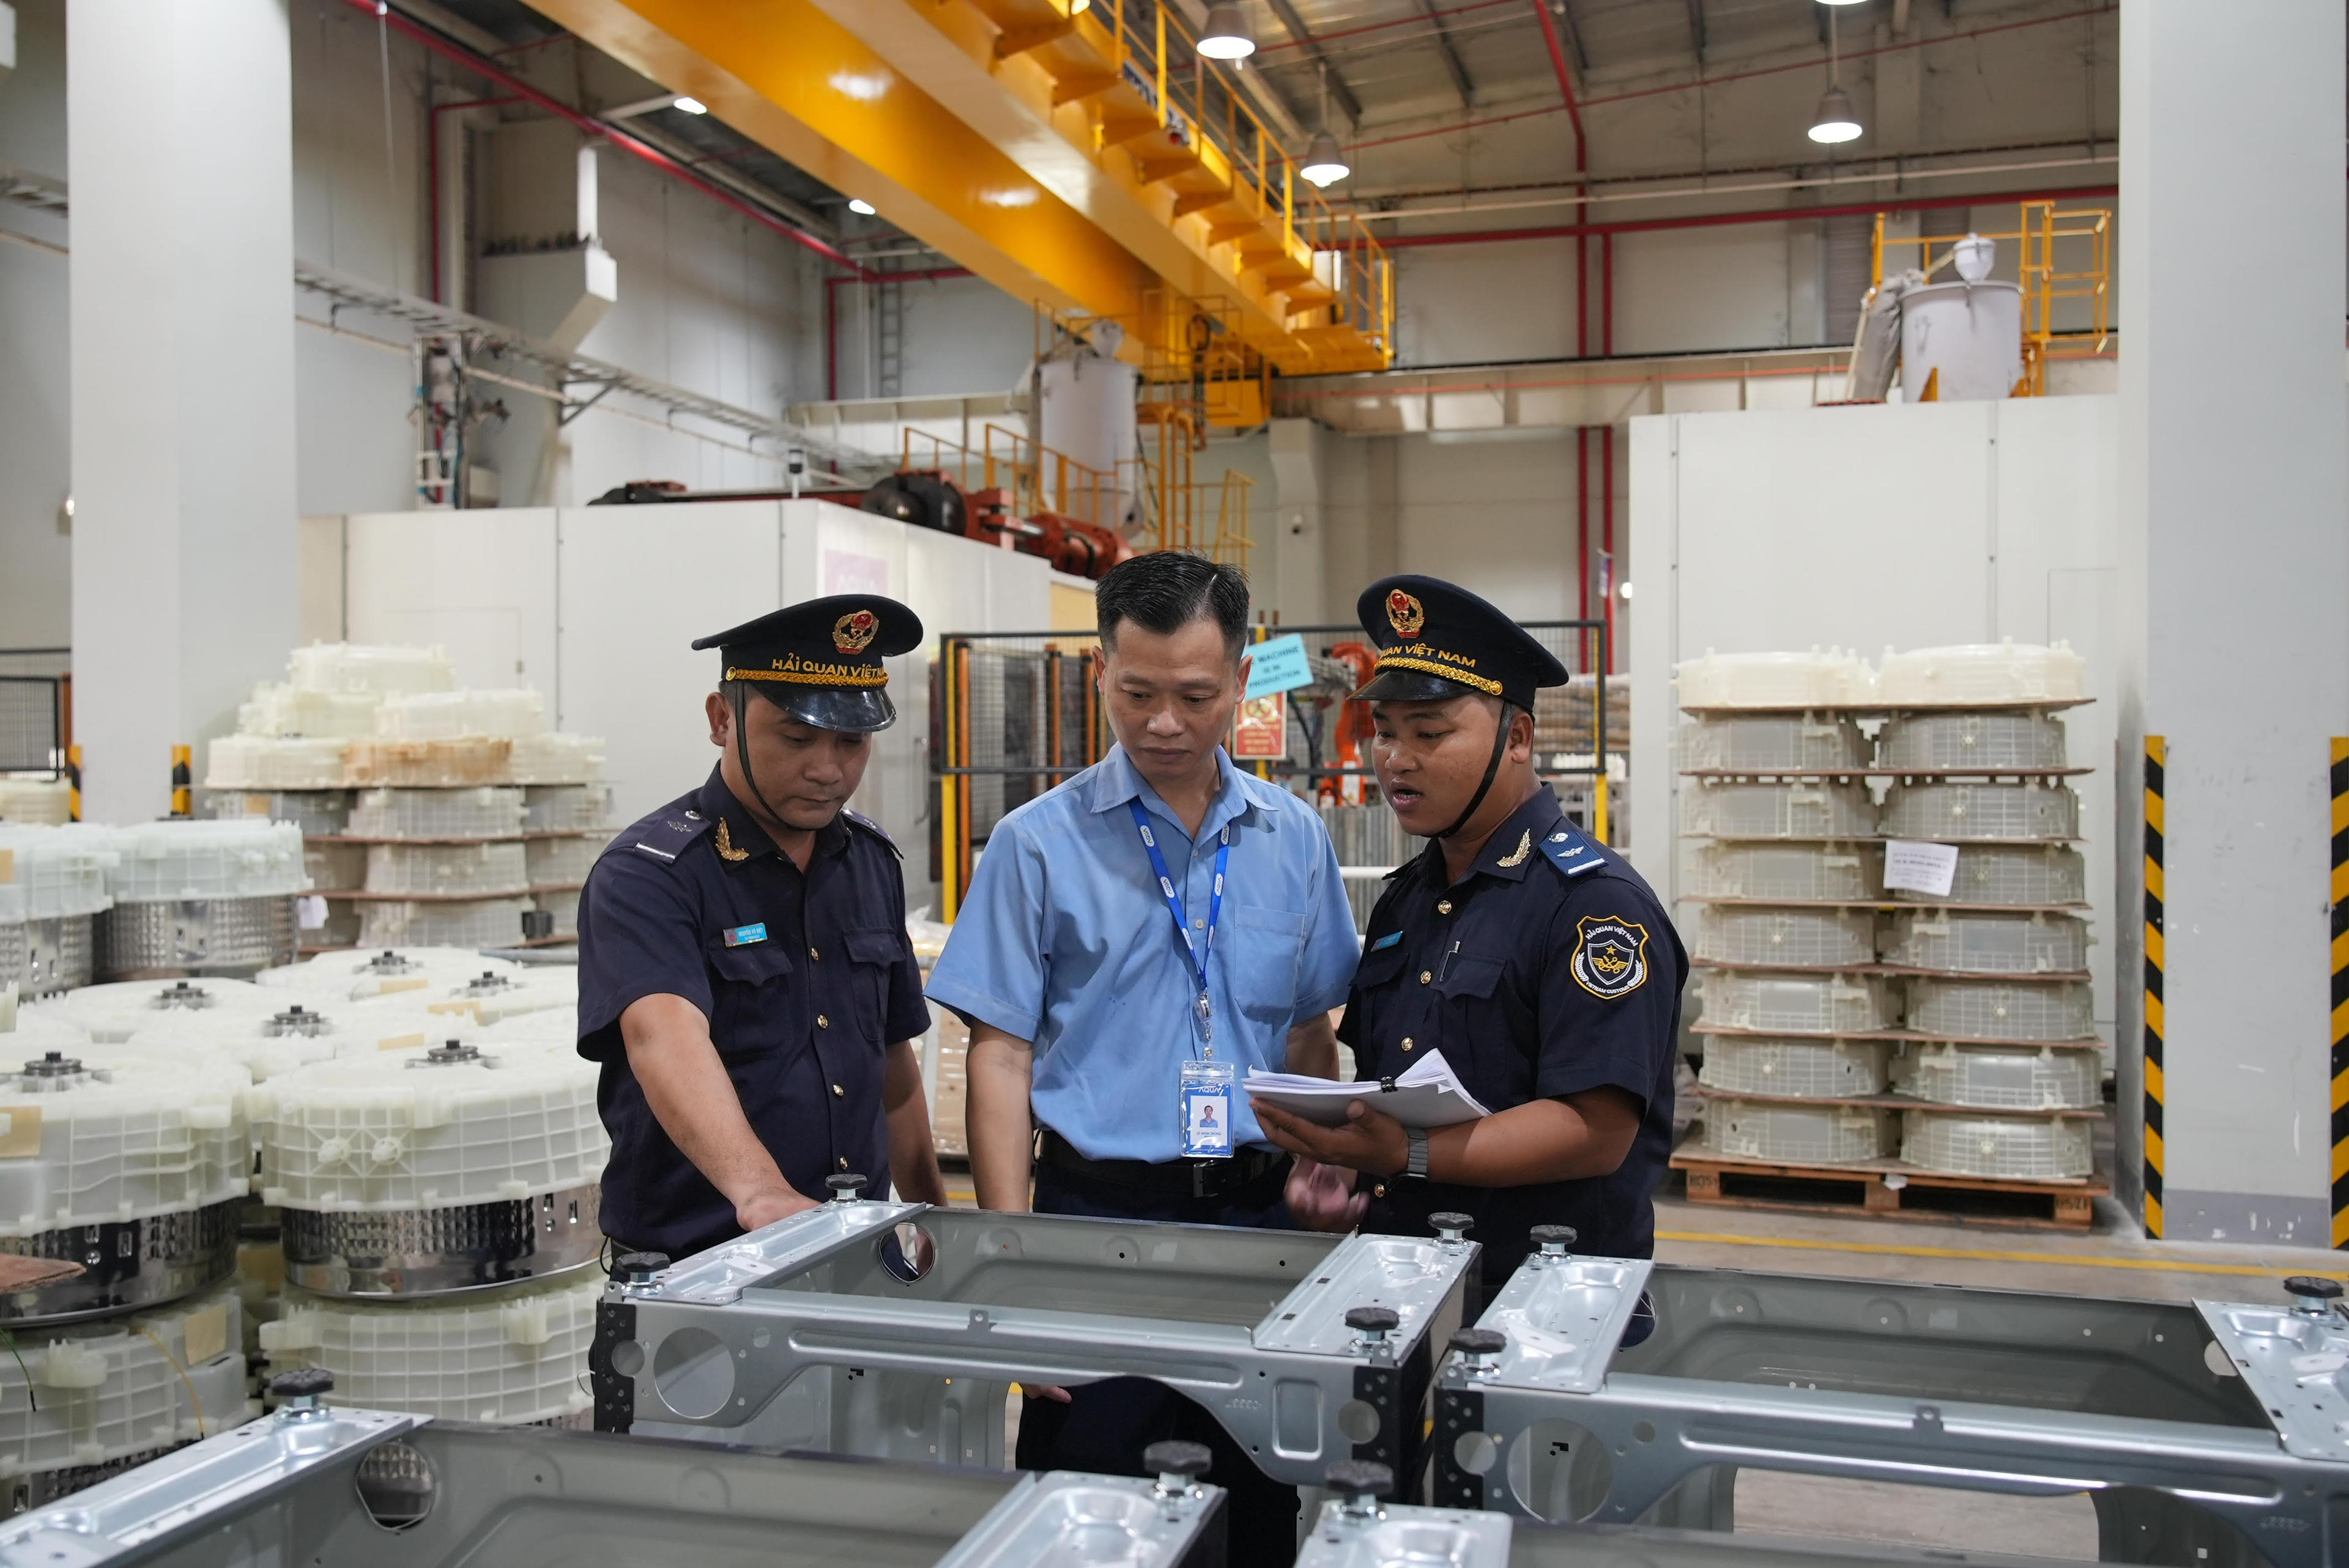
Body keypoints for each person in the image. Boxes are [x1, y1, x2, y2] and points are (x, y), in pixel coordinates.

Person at [925, 551, 1360, 1566]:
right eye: (1138, 693)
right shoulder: (1036, 844)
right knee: (1091, 1518)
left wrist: (1322, 1161)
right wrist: (1013, 1256)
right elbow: (1000, 1056)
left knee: (1256, 1512)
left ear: (1241, 681)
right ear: (1101, 675)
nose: (1165, 722)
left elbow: (1310, 1032)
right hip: (1096, 1227)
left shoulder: (1293, 838)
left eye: (1196, 696)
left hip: (1258, 1226)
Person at [1252, 574, 1686, 1296]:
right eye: (1385, 731)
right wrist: (1345, 1160)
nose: (1397, 758)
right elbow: (1390, 1081)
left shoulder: (1594, 906)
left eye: (1430, 733)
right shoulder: (1408, 900)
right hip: (1401, 1288)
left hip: (1538, 1302)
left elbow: (1597, 1130)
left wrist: (1408, 1152)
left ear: (1517, 737)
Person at [574, 594, 948, 1267]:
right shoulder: (650, 875)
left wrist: (939, 1227)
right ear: (722, 720)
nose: (828, 769)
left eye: (852, 742)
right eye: (797, 738)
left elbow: (893, 1070)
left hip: (857, 1256)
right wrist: (761, 1192)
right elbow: (664, 1036)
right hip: (702, 1269)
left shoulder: (869, 863)